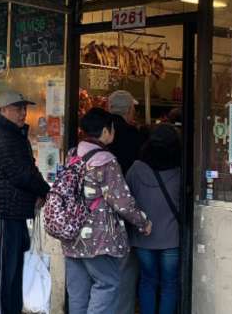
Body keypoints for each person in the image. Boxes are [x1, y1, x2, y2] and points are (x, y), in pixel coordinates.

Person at [62, 108, 153, 314]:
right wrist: (143, 222)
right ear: (105, 131)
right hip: (98, 237)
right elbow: (121, 201)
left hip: (71, 232)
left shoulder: (72, 155)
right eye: (112, 128)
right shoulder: (105, 160)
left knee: (78, 291)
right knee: (107, 284)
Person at [0, 91, 50, 314]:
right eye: (17, 108)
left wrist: (41, 191)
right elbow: (21, 173)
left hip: (15, 212)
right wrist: (45, 190)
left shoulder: (14, 135)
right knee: (2, 275)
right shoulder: (2, 136)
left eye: (24, 108)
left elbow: (28, 168)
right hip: (2, 213)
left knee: (13, 273)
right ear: (3, 110)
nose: (23, 113)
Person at [126, 124, 182, 314]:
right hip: (171, 239)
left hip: (143, 238)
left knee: (147, 281)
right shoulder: (181, 171)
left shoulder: (135, 169)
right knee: (169, 284)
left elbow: (126, 201)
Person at [106, 90, 146, 314]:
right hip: (127, 206)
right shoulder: (134, 136)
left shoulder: (97, 135)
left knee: (103, 271)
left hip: (99, 211)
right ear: (130, 110)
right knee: (126, 266)